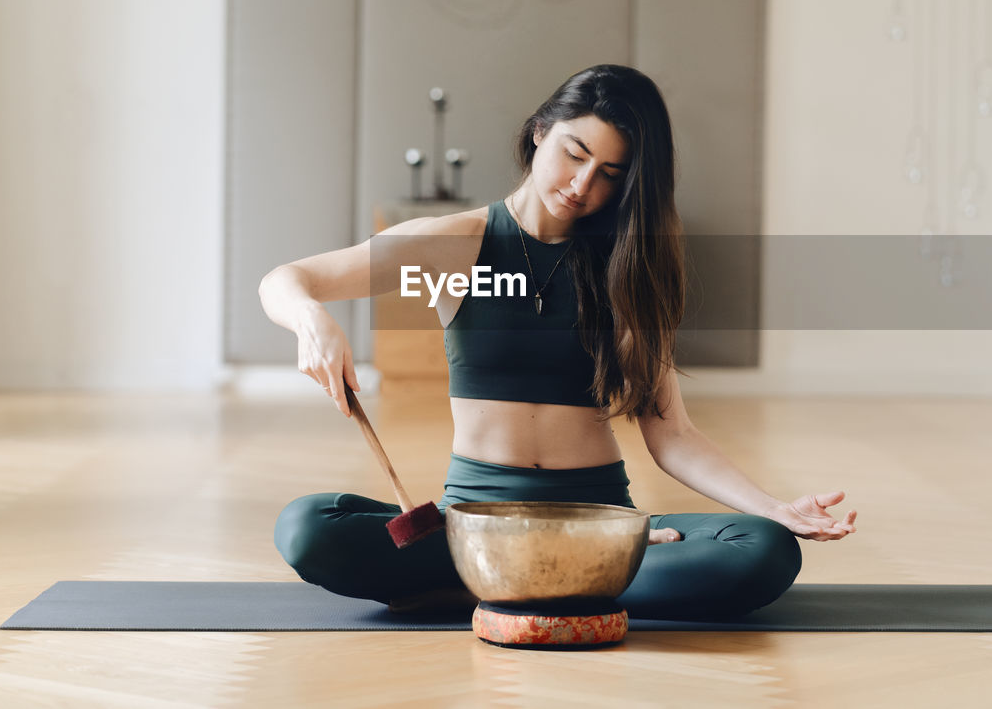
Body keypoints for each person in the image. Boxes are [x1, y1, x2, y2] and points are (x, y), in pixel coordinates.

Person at [258, 64, 857, 620]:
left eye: (609, 174)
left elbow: (671, 434)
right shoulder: (454, 249)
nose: (581, 184)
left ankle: (505, 581)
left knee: (762, 550)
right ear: (541, 132)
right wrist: (312, 320)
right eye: (575, 153)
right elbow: (287, 280)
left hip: (598, 521)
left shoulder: (627, 272)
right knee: (309, 526)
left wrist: (773, 508)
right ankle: (570, 581)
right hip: (475, 525)